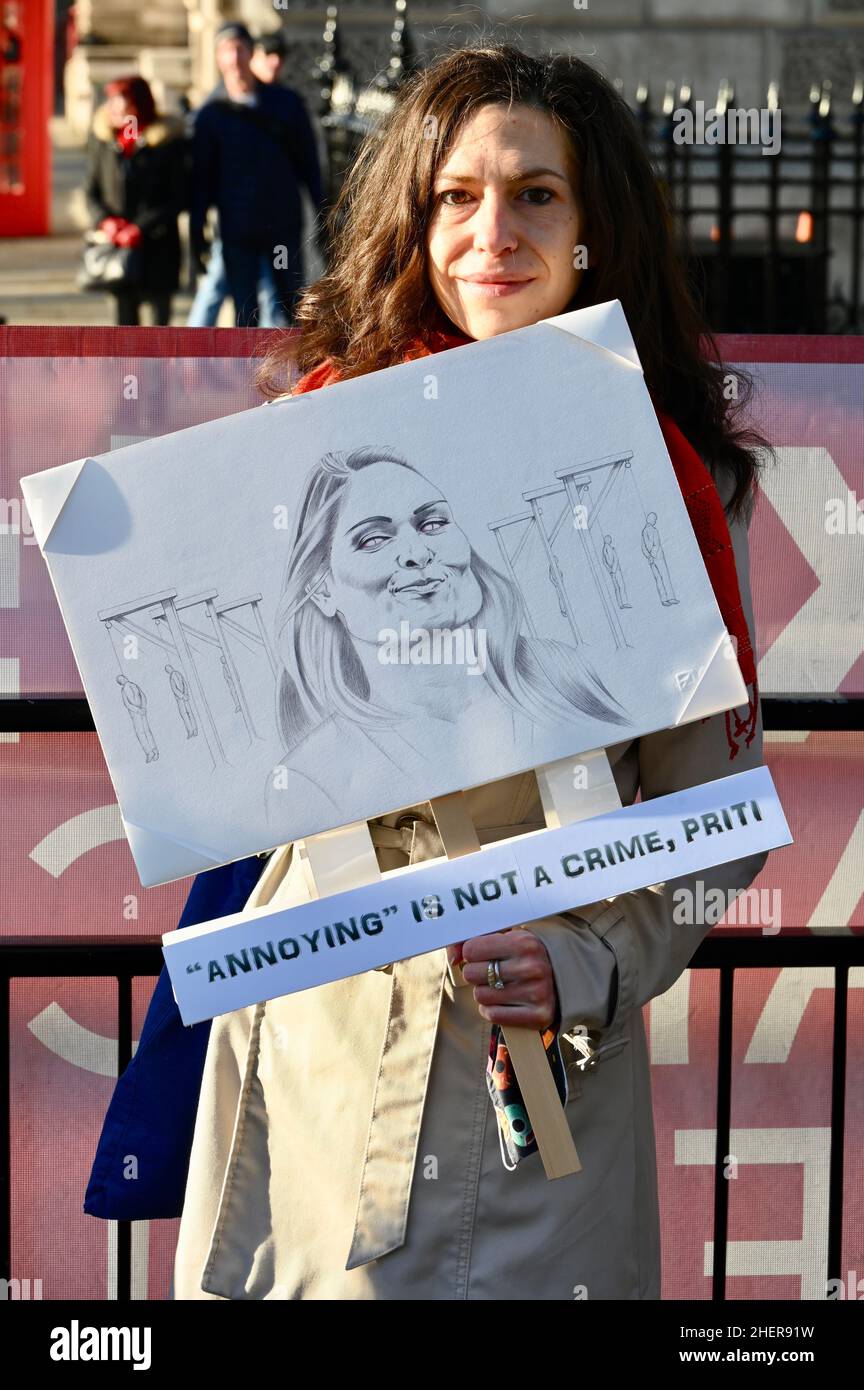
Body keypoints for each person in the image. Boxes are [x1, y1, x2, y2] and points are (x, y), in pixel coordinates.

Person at [90, 40, 773, 1300]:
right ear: (416, 214)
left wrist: (584, 961)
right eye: (456, 195)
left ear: (593, 228)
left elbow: (715, 827)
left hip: (522, 1072)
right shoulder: (315, 433)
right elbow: (234, 727)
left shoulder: (664, 485)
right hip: (313, 1027)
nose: (491, 232)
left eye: (535, 195)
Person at [264, 445, 630, 831]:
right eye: (373, 539)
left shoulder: (563, 675)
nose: (417, 553)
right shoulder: (310, 780)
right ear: (321, 590)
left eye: (433, 524)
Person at [189, 21, 326, 328]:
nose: (234, 58)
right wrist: (196, 231)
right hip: (238, 230)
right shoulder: (211, 116)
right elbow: (201, 179)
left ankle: (289, 375)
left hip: (281, 227)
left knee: (287, 303)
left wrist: (324, 213)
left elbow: (309, 165)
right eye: (226, 51)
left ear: (251, 53)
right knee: (244, 312)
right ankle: (245, 377)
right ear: (217, 58)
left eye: (239, 49)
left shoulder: (285, 104)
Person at [83, 75, 187, 326]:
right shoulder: (104, 142)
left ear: (140, 105)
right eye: (113, 102)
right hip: (117, 250)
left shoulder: (167, 143)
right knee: (123, 334)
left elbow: (179, 196)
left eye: (124, 102)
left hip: (158, 248)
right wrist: (105, 222)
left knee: (158, 333)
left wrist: (139, 228)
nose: (116, 109)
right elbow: (91, 191)